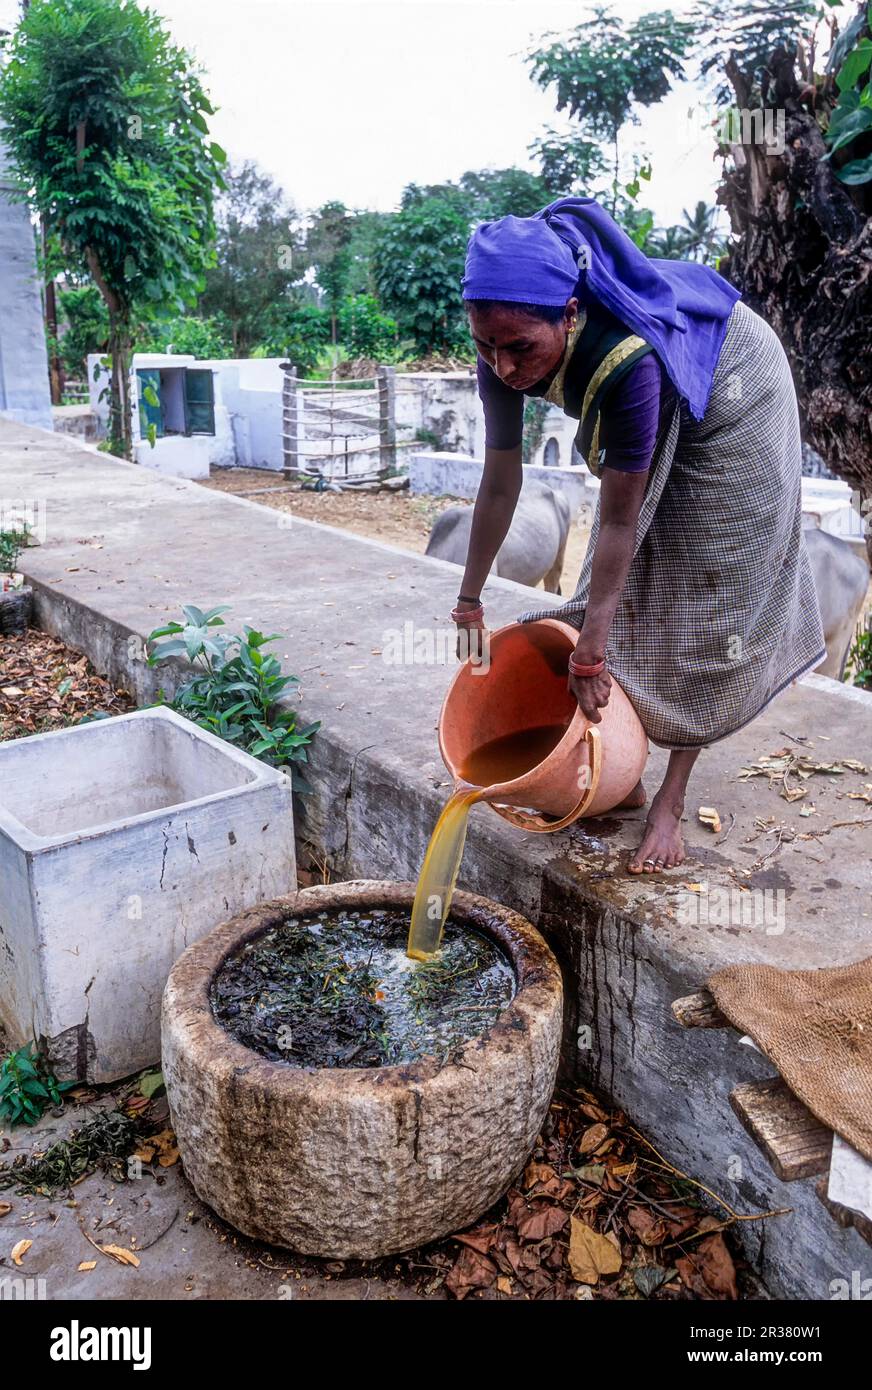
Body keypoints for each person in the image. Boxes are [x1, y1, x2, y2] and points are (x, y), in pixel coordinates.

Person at [453, 196, 826, 874]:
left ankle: (671, 801)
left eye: (520, 350)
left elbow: (620, 519)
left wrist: (591, 653)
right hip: (667, 374)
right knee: (612, 593)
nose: (505, 367)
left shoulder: (626, 362)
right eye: (486, 346)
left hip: (734, 375)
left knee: (710, 591)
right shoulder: (504, 345)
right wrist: (469, 598)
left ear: (569, 315)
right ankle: (624, 772)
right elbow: (500, 480)